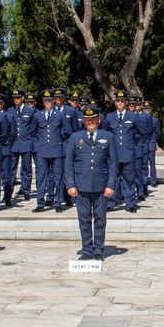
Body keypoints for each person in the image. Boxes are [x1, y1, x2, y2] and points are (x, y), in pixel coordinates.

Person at [65, 107, 118, 261]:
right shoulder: (76, 138)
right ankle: (87, 249)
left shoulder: (108, 137)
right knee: (84, 219)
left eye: (93, 119)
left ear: (98, 120)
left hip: (101, 186)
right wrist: (70, 185)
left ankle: (99, 250)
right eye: (87, 120)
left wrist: (111, 185)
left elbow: (113, 163)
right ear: (83, 121)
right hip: (81, 185)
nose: (90, 122)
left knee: (100, 219)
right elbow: (69, 163)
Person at [33, 90, 69, 212]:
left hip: (56, 150)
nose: (47, 102)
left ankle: (58, 202)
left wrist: (60, 143)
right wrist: (39, 146)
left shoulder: (59, 115)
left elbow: (66, 131)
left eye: (49, 100)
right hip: (42, 151)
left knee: (58, 177)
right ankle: (40, 202)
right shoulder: (38, 115)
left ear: (53, 100)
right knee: (41, 177)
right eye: (45, 100)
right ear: (42, 102)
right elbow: (34, 132)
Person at [143, 101, 160, 187]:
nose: (146, 110)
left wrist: (153, 140)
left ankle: (153, 180)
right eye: (145, 108)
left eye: (148, 108)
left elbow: (157, 132)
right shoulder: (140, 119)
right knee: (144, 163)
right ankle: (145, 180)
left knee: (152, 163)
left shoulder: (155, 120)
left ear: (151, 109)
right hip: (143, 144)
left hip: (151, 144)